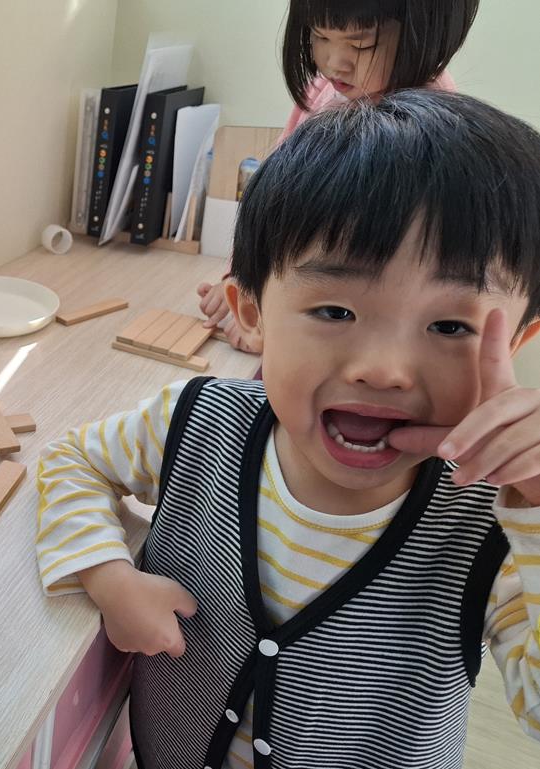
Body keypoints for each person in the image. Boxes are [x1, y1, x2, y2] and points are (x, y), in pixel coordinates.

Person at [36, 91, 540, 769]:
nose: (384, 370)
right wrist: (107, 576)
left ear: (516, 342)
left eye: (449, 326)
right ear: (250, 314)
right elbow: (73, 459)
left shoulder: (497, 521)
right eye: (334, 311)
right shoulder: (197, 422)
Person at [199, 0, 478, 353]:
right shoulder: (323, 90)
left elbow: (376, 274)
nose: (334, 62)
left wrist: (278, 326)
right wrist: (244, 276)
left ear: (424, 36)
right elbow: (274, 202)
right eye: (320, 36)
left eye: (361, 44)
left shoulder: (431, 123)